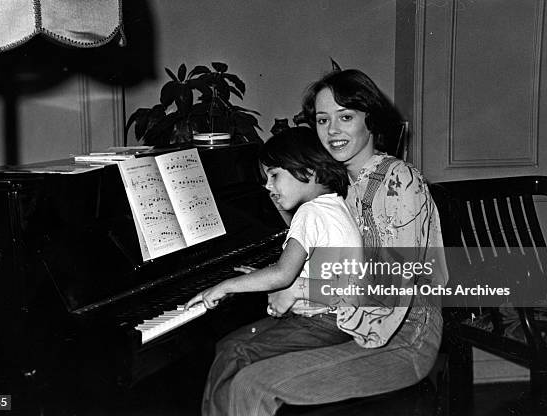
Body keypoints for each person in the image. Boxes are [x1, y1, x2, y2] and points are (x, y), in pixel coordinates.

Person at [196, 68, 448, 416]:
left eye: (345, 117)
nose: (332, 130)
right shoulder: (337, 181)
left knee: (251, 384)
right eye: (322, 119)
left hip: (400, 335)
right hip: (345, 319)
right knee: (231, 349)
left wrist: (298, 289)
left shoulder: (398, 179)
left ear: (370, 119)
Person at [185, 126, 364, 416]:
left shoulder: (311, 213)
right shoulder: (332, 206)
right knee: (230, 344)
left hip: (322, 324)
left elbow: (283, 274)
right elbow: (310, 265)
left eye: (274, 175)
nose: (268, 185)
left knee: (233, 351)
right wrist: (259, 277)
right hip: (339, 321)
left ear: (308, 170)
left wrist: (224, 286)